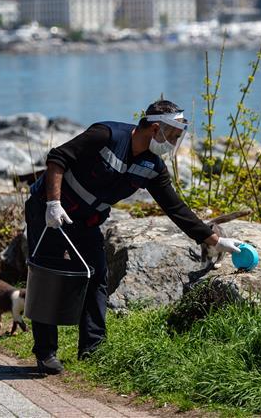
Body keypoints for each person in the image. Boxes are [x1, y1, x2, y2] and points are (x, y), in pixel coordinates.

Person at [24, 99, 244, 375]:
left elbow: (175, 208)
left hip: (86, 221)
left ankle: (93, 351)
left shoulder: (152, 166)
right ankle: (46, 354)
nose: (174, 144)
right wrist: (52, 203)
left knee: (96, 277)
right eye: (173, 136)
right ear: (155, 129)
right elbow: (57, 158)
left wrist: (215, 240)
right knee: (49, 276)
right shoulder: (105, 135)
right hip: (48, 211)